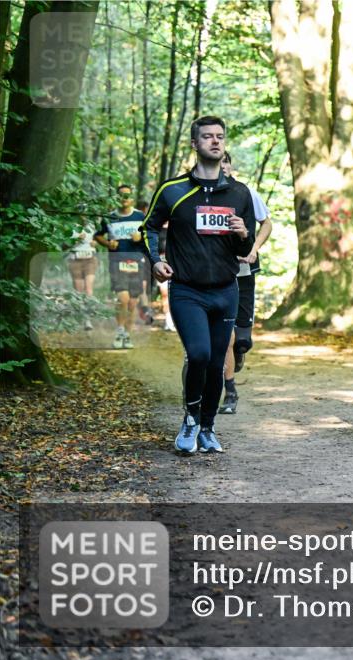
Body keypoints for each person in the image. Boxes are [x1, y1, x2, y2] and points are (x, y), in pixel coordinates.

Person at [144, 115, 255, 455]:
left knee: (217, 361)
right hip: (187, 290)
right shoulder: (172, 190)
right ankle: (190, 419)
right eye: (207, 136)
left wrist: (242, 234)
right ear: (195, 143)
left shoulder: (239, 193)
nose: (215, 142)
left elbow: (244, 248)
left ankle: (207, 427)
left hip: (226, 290)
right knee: (199, 353)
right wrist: (156, 261)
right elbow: (149, 227)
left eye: (220, 136)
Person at [218, 151, 273, 415]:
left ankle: (239, 353)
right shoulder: (202, 196)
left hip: (244, 270)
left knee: (241, 341)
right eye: (219, 163)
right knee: (225, 338)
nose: (223, 167)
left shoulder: (246, 193)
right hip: (216, 272)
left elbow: (267, 223)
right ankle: (230, 391)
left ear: (230, 165)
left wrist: (254, 248)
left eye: (226, 162)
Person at [94, 184, 147, 349]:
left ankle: (127, 335)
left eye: (127, 196)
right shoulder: (109, 217)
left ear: (131, 199)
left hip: (137, 263)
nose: (124, 199)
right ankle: (119, 332)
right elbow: (97, 236)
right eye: (121, 196)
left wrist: (141, 236)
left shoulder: (140, 217)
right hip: (117, 262)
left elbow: (151, 234)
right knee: (122, 299)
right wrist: (108, 243)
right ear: (117, 198)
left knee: (132, 302)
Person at [66, 220, 97, 330]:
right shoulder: (70, 224)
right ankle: (82, 316)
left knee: (88, 290)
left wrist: (95, 242)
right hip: (75, 260)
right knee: (79, 291)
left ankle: (88, 319)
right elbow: (63, 243)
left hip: (90, 260)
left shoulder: (93, 224)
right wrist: (74, 239)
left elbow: (98, 239)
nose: (84, 215)